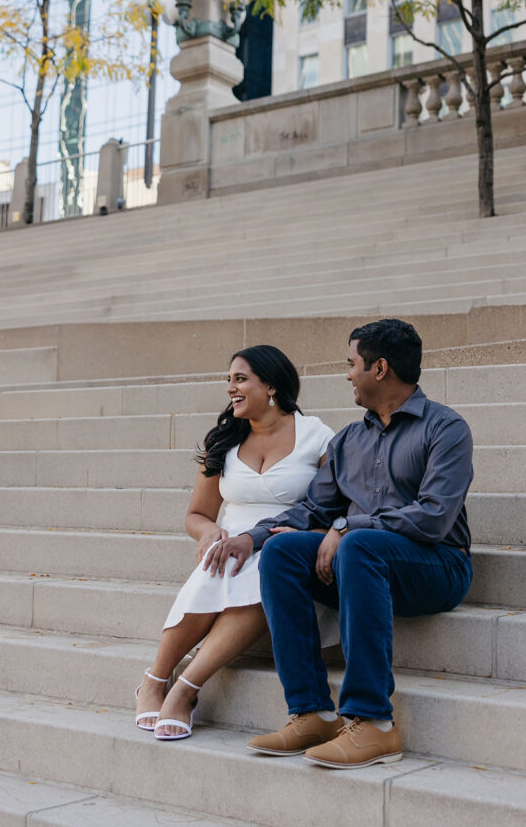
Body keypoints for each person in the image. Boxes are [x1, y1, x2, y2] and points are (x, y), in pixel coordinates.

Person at [205, 318, 473, 768]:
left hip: (438, 566)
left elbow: (433, 517)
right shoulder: (350, 439)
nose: (347, 373)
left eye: (352, 364)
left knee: (359, 543)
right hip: (362, 565)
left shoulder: (445, 428)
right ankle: (310, 711)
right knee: (284, 551)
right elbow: (312, 509)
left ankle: (375, 724)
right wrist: (249, 538)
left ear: (380, 368)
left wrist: (348, 527)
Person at [134, 344, 335, 740]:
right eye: (229, 380)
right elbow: (197, 514)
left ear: (272, 385)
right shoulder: (224, 439)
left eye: (240, 379)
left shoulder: (317, 436)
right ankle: (155, 680)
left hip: (285, 540)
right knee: (219, 561)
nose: (230, 388)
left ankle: (184, 688)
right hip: (229, 544)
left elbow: (331, 505)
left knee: (266, 567)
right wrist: (209, 532)